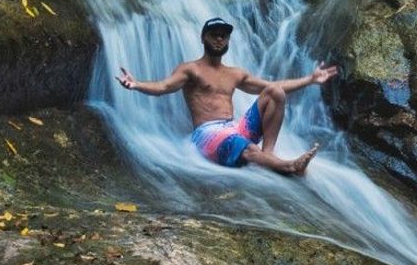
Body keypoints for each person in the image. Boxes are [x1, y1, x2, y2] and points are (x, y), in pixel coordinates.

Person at [116, 17, 338, 175]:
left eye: (224, 36)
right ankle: (288, 167)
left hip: (232, 127)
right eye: (214, 35)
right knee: (241, 143)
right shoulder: (190, 69)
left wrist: (310, 79)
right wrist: (136, 84)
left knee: (275, 93)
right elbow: (164, 86)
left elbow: (275, 86)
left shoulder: (234, 74)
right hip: (207, 134)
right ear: (203, 38)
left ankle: (268, 156)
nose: (220, 39)